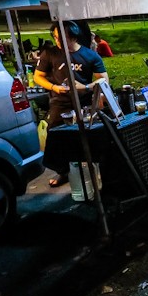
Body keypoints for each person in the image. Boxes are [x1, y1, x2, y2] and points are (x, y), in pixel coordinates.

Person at [34, 21, 109, 188]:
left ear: (73, 35)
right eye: (55, 38)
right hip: (59, 103)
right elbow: (37, 76)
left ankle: (90, 169)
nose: (58, 41)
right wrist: (54, 87)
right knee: (57, 138)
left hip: (84, 103)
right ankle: (63, 171)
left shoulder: (90, 55)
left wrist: (86, 87)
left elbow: (104, 80)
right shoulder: (50, 53)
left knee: (85, 137)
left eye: (62, 37)